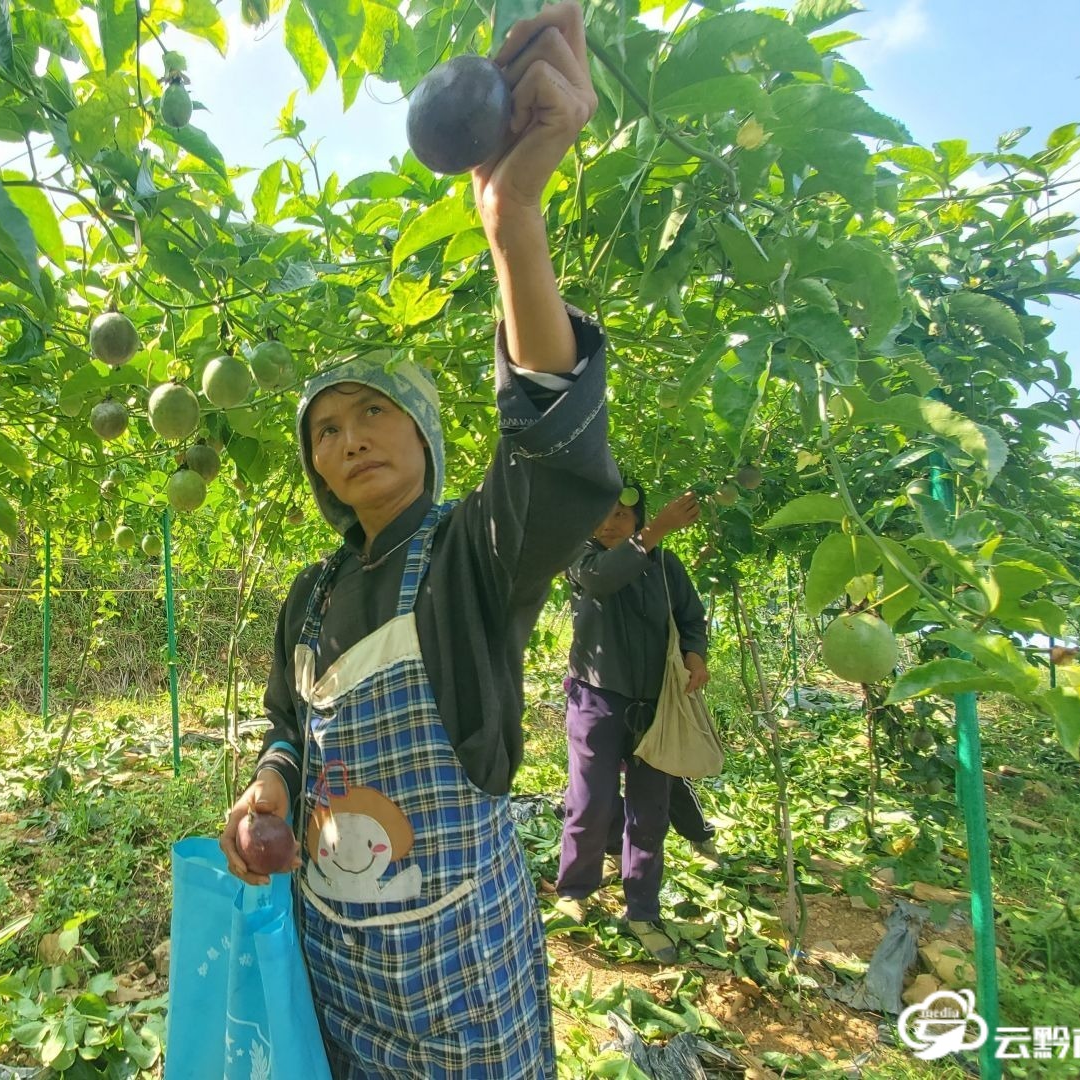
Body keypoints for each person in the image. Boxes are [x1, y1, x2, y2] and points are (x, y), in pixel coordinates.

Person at [217, 5, 614, 1073]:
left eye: (374, 414)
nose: (349, 443)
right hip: (331, 973)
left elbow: (551, 455)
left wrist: (513, 226)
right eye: (327, 433)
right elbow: (285, 726)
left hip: (458, 978)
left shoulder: (474, 556)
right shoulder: (309, 594)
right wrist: (269, 787)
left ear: (429, 437)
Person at [554, 484, 710, 963]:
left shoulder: (665, 565)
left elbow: (691, 616)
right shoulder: (582, 557)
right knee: (590, 801)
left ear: (636, 515)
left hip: (657, 705)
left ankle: (642, 908)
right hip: (597, 701)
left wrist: (695, 654)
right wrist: (655, 529)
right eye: (602, 514)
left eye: (622, 514)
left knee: (650, 812)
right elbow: (603, 580)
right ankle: (575, 892)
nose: (610, 523)